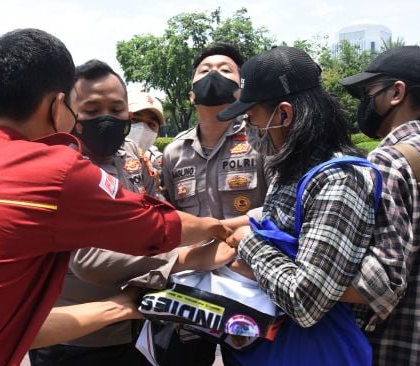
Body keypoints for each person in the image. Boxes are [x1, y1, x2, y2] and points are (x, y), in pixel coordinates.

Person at [0, 28, 231, 365]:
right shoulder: (54, 170)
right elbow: (159, 227)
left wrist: (120, 308)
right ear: (57, 106)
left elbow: (9, 326)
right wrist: (219, 228)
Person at [31, 59, 236, 366]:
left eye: (116, 109)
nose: (107, 119)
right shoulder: (55, 167)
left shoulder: (131, 156)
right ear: (67, 112)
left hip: (137, 323)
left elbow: (157, 218)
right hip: (75, 337)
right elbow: (88, 257)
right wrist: (186, 258)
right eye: (91, 109)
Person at [220, 46, 379, 365]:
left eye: (252, 118)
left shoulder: (339, 180)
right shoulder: (291, 170)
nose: (248, 128)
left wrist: (248, 244)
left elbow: (306, 299)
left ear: (284, 114)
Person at [339, 45, 420, 364]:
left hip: (397, 351)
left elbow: (375, 284)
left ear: (396, 92)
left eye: (369, 91)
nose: (364, 103)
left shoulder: (387, 162)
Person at [158, 42, 268, 365]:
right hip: (192, 292)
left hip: (249, 290)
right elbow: (170, 217)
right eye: (204, 71)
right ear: (191, 94)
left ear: (240, 89)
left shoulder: (262, 142)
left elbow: (279, 212)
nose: (213, 75)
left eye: (225, 70)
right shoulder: (173, 153)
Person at [127, 90, 165, 177]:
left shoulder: (157, 163)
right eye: (135, 120)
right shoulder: (103, 160)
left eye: (151, 124)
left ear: (157, 134)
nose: (142, 128)